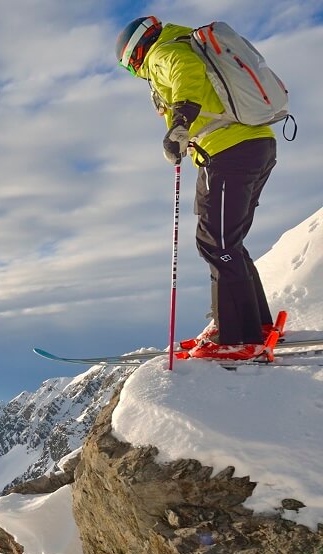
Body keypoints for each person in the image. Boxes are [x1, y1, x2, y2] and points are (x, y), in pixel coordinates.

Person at [116, 16, 278, 360]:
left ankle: (238, 338)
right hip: (255, 144)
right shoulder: (186, 44)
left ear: (135, 54)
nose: (136, 72)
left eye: (130, 66)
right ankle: (253, 324)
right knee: (227, 241)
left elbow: (184, 74)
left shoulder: (163, 53)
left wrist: (180, 122)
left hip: (228, 150)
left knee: (215, 242)